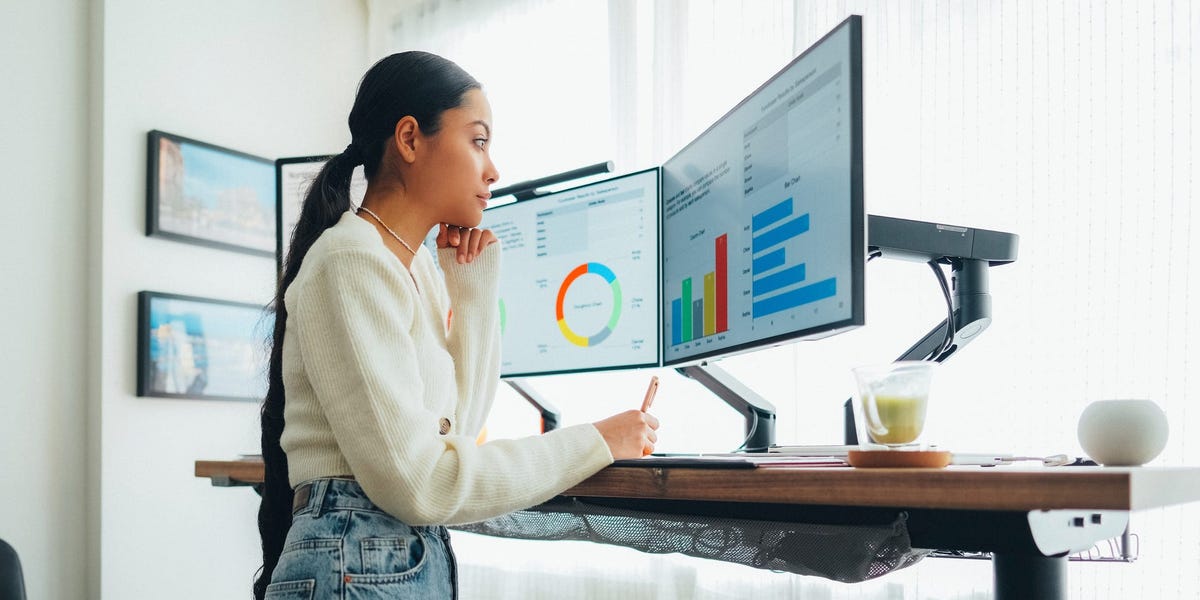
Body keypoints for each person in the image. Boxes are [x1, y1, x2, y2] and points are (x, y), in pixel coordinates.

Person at [254, 51, 660, 599]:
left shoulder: (412, 264)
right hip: (358, 555)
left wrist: (470, 290)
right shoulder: (351, 260)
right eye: (478, 140)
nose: (493, 169)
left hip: (388, 554)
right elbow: (424, 483)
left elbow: (455, 433)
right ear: (409, 139)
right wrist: (596, 442)